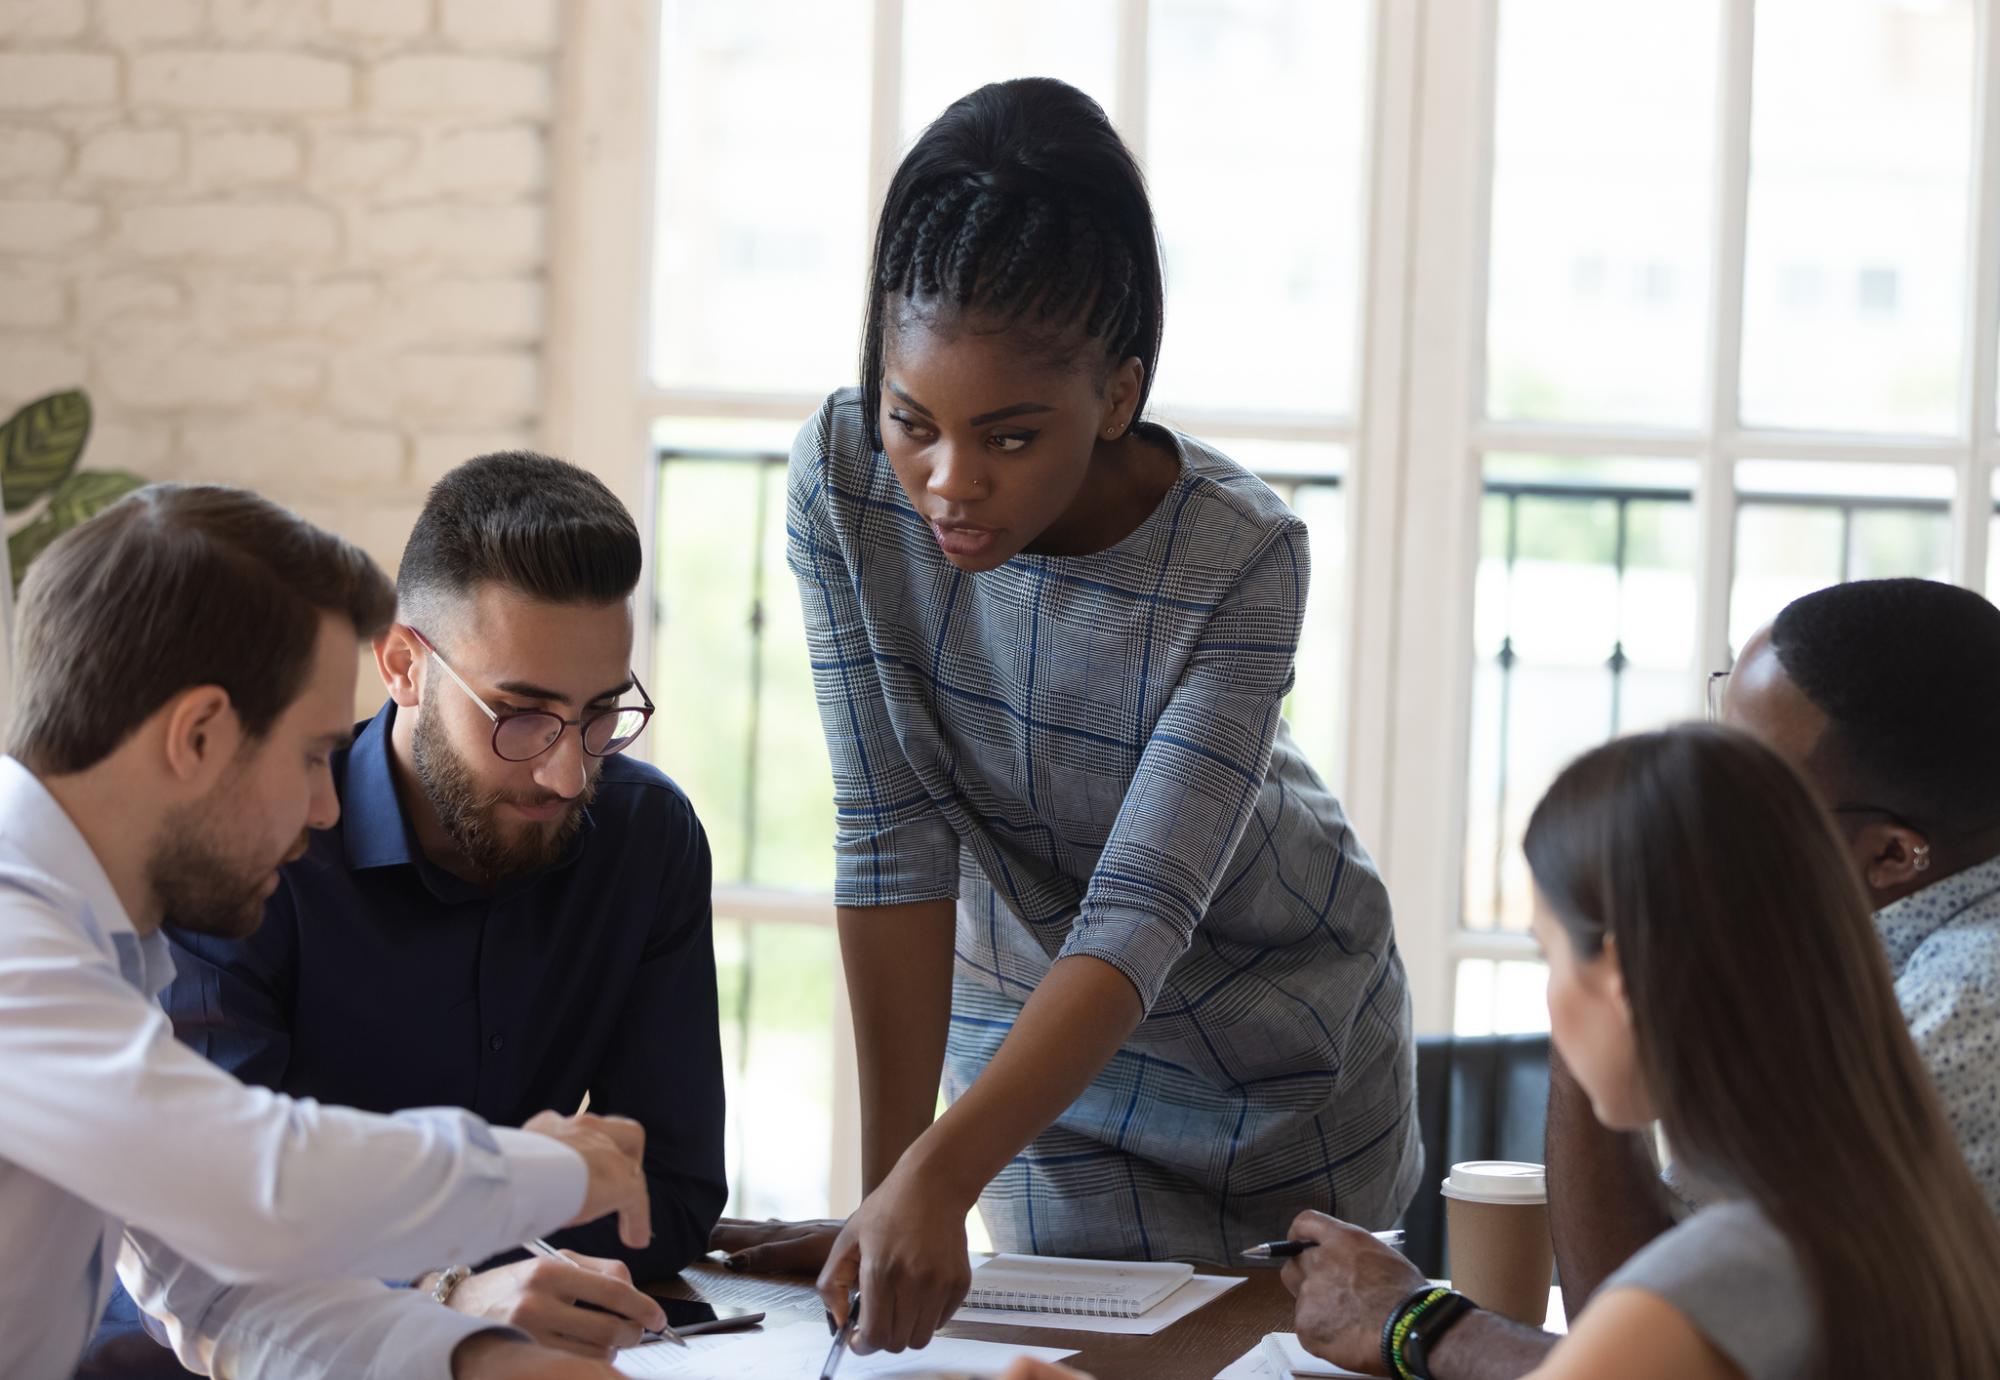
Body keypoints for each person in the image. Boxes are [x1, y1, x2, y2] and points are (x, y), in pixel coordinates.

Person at [713, 77, 1420, 1354]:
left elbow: (1140, 911)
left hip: (1282, 1053)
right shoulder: (839, 480)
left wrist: (937, 1170)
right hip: (1038, 1077)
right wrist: (895, 1188)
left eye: (1009, 437)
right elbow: (890, 838)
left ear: (1117, 394)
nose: (948, 482)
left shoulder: (1240, 554)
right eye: (911, 421)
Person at [86, 454, 726, 1374]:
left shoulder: (645, 838)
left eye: (599, 715)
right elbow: (217, 1216)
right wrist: (446, 1290)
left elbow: (666, 1188)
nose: (568, 771)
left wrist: (485, 1284)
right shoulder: (253, 850)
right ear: (402, 666)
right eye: (521, 714)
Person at [1276, 725, 2000, 1379]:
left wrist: (1412, 1321)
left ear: (1622, 979)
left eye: (1550, 957)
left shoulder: (1715, 1284)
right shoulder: (1924, 1213)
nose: (1554, 1001)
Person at [1547, 578, 2000, 1322]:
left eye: (1744, 781)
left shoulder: (1957, 1016)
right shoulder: (1845, 947)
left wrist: (1588, 995)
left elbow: (1652, 1348)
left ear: (1889, 856)